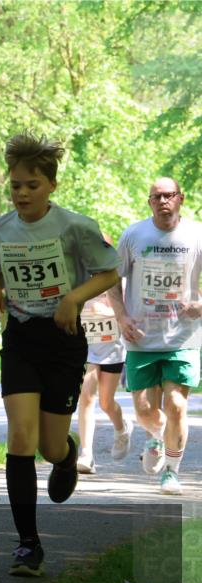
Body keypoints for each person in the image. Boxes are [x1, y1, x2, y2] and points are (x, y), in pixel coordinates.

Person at [0, 133, 119, 577]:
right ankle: (28, 545)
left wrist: (73, 298)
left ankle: (65, 455)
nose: (22, 193)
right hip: (21, 339)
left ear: (51, 186)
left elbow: (110, 271)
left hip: (63, 340)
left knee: (48, 445)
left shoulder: (75, 226)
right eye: (15, 185)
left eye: (32, 185)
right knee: (21, 437)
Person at [107, 178, 201, 495]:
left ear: (180, 198)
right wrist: (122, 317)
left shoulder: (196, 235)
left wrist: (200, 305)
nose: (163, 201)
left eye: (168, 195)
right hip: (142, 337)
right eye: (156, 197)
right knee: (145, 410)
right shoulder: (134, 235)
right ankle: (158, 436)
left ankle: (172, 472)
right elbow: (111, 279)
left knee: (176, 404)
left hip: (182, 337)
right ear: (149, 202)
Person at [75, 288, 133, 474]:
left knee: (106, 402)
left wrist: (107, 311)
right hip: (86, 344)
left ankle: (122, 428)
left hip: (112, 347)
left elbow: (129, 310)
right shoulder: (80, 275)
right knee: (86, 396)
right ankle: (86, 453)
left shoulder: (116, 277)